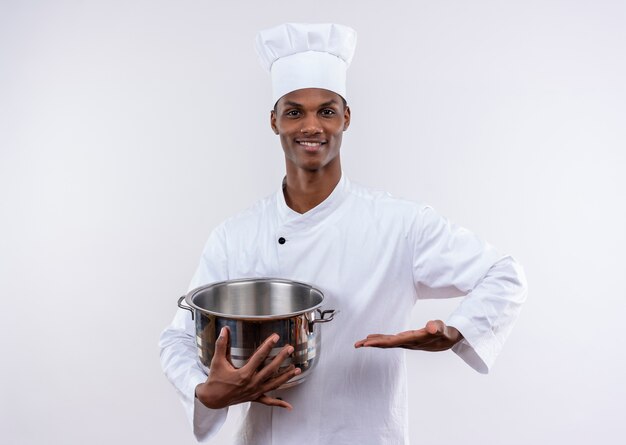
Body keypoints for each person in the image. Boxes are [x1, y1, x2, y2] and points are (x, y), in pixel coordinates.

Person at [159, 22, 527, 445]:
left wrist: (456, 331)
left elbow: (505, 274)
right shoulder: (236, 235)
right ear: (274, 121)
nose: (311, 126)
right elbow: (178, 337)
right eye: (294, 111)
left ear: (346, 118)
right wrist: (205, 391)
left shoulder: (399, 224)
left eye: (327, 111)